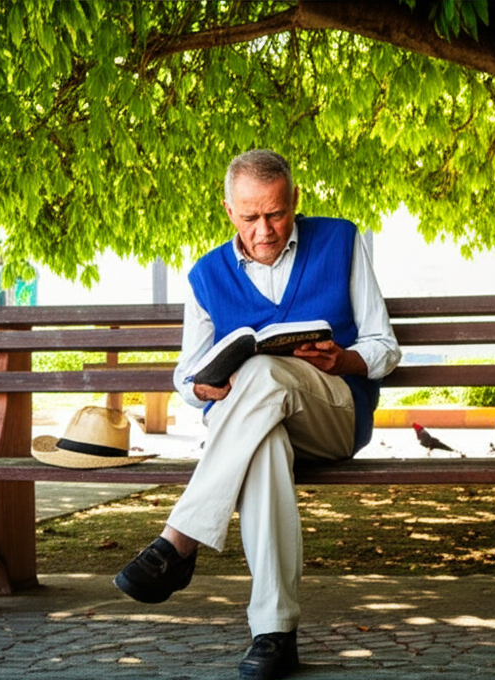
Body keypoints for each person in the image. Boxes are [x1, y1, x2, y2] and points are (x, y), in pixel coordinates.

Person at [114, 149, 401, 680]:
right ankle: (275, 634)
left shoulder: (341, 241)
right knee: (264, 445)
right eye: (250, 217)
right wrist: (202, 386)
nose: (264, 230)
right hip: (258, 426)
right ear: (229, 212)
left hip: (334, 412)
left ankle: (179, 541)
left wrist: (345, 358)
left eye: (275, 213)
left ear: (294, 200)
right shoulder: (206, 275)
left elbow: (385, 344)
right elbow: (187, 376)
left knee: (264, 375)